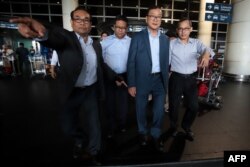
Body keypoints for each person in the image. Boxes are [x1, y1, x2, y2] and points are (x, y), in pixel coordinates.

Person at [10, 6, 119, 165]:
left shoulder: (96, 45)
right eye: (78, 19)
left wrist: (115, 76)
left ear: (91, 24)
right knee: (68, 126)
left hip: (91, 90)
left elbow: (100, 65)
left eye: (86, 20)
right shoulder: (67, 38)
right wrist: (43, 34)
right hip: (72, 91)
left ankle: (93, 151)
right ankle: (80, 139)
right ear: (72, 22)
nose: (82, 23)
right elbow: (54, 37)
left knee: (95, 124)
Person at [127, 6, 170, 150]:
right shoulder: (137, 37)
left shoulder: (165, 39)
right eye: (153, 16)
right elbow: (131, 61)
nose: (156, 19)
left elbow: (166, 62)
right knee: (141, 108)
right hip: (142, 79)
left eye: (159, 16)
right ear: (147, 18)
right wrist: (131, 84)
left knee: (159, 110)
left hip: (159, 80)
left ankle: (156, 135)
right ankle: (142, 132)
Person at [168, 17, 213, 141]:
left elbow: (208, 50)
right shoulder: (171, 44)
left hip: (191, 79)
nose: (183, 32)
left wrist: (206, 53)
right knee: (174, 106)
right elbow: (166, 62)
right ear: (177, 30)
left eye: (186, 29)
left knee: (194, 106)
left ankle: (186, 126)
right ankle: (173, 127)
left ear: (191, 29)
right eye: (180, 29)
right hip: (176, 78)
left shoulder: (196, 43)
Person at [101, 15, 131, 138]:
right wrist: (113, 77)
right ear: (114, 27)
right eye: (118, 27)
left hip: (125, 76)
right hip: (109, 76)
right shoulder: (105, 41)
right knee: (110, 104)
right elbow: (101, 60)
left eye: (123, 28)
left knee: (123, 104)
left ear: (127, 28)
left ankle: (122, 124)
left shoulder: (131, 42)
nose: (120, 30)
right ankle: (111, 128)